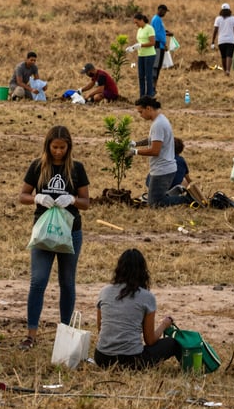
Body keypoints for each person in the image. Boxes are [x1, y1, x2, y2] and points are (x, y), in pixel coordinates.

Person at [19, 125, 90, 350]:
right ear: (48, 146)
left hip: (70, 233)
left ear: (68, 147)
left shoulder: (77, 169)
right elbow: (22, 195)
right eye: (54, 147)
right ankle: (31, 333)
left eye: (62, 148)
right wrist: (37, 198)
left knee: (67, 282)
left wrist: (71, 200)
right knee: (38, 281)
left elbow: (86, 202)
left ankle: (65, 331)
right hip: (43, 233)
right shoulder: (38, 167)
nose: (58, 152)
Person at [94, 248, 180, 369]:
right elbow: (150, 340)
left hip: (102, 358)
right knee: (172, 343)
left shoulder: (104, 292)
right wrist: (164, 325)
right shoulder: (147, 297)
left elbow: (100, 329)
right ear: (143, 271)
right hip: (131, 361)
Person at [131, 97, 182, 207]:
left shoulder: (158, 124)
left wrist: (135, 152)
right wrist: (136, 144)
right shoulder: (159, 120)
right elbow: (153, 140)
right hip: (163, 168)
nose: (140, 115)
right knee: (156, 199)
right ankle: (177, 192)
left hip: (163, 170)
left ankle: (186, 199)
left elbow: (155, 151)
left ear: (148, 108)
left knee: (155, 203)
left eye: (141, 112)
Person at [128, 13, 156, 97]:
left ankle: (149, 95)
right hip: (141, 55)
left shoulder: (149, 28)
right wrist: (133, 47)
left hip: (149, 55)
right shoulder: (139, 29)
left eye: (137, 22)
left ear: (142, 20)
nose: (136, 24)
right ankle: (142, 95)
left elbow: (152, 42)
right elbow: (140, 41)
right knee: (141, 76)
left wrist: (141, 45)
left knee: (148, 76)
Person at [211, 3, 234, 75]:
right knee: (229, 55)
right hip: (231, 40)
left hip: (221, 41)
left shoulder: (218, 19)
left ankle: (224, 71)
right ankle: (228, 70)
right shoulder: (233, 19)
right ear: (229, 10)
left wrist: (213, 42)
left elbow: (215, 31)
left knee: (223, 56)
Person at [150, 5, 171, 92]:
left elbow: (160, 31)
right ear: (160, 10)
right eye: (165, 11)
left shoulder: (157, 19)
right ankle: (152, 87)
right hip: (158, 45)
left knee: (157, 66)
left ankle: (153, 87)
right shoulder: (157, 19)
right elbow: (157, 33)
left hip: (159, 44)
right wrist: (164, 43)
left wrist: (166, 33)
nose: (165, 13)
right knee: (156, 66)